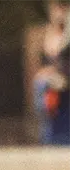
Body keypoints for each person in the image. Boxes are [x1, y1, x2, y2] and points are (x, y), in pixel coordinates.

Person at [34, 4, 70, 145]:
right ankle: (51, 135)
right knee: (42, 84)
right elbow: (51, 54)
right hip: (59, 76)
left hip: (64, 76)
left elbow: (58, 52)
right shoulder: (53, 33)